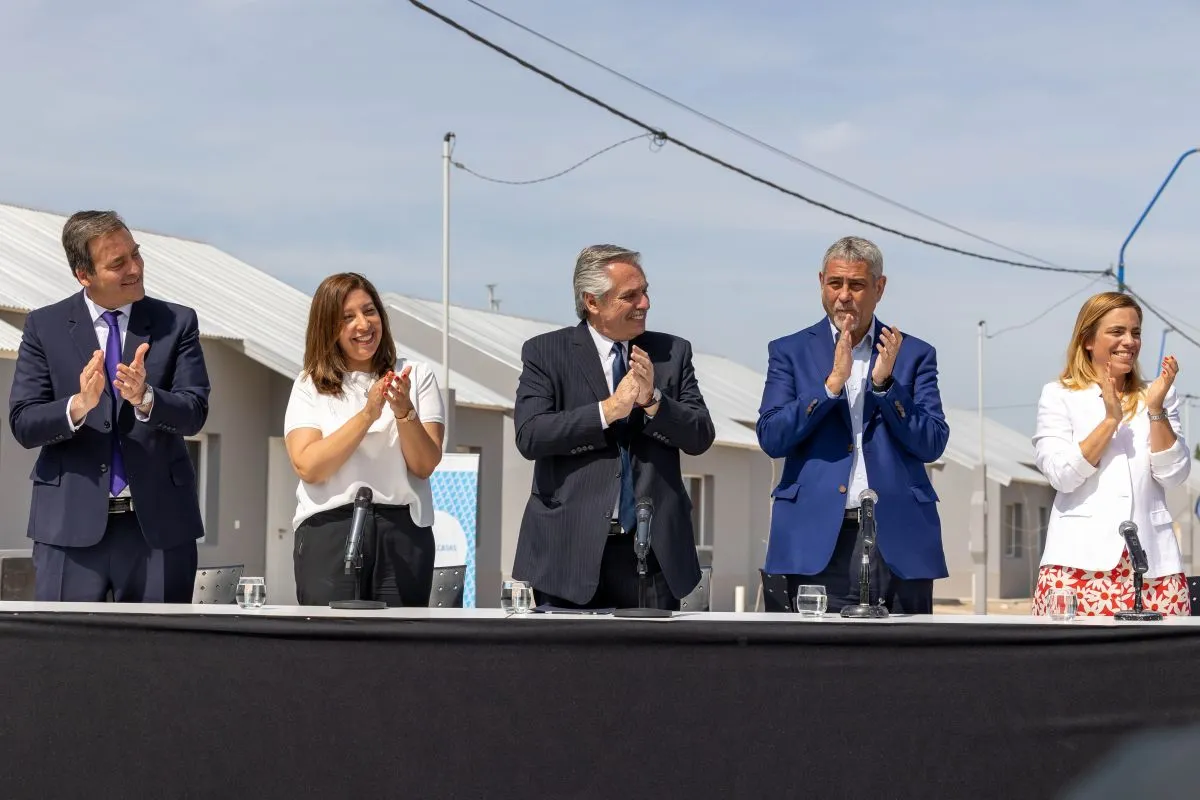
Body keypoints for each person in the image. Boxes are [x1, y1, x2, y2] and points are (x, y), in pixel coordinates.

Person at [8, 210, 211, 602]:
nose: (135, 268)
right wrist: (78, 405)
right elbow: (23, 423)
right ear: (84, 275)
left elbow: (194, 411)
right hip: (69, 531)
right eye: (118, 263)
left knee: (159, 658)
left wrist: (146, 398)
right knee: (67, 657)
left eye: (136, 254)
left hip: (159, 531)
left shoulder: (177, 322)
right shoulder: (43, 327)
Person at [512, 244, 715, 611]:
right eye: (630, 296)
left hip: (652, 555)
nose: (645, 303)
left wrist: (653, 401)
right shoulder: (545, 353)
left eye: (645, 291)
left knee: (650, 668)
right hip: (567, 553)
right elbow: (531, 435)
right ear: (593, 302)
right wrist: (608, 411)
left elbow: (700, 435)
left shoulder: (672, 353)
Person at [756, 235, 949, 614]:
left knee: (903, 665)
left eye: (857, 285)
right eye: (835, 283)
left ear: (879, 288)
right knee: (809, 666)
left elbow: (932, 443)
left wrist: (885, 386)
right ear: (821, 283)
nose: (844, 295)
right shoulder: (789, 351)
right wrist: (829, 387)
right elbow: (772, 436)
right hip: (813, 538)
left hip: (897, 540)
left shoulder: (913, 353)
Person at [283, 272, 445, 607]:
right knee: (330, 648)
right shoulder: (309, 384)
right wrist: (367, 415)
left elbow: (425, 464)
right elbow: (308, 466)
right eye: (347, 317)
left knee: (398, 650)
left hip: (401, 532)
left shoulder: (416, 375)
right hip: (328, 529)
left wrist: (404, 411)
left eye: (369, 311)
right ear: (328, 328)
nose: (363, 324)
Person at [1032, 292, 1190, 616]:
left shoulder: (1158, 394)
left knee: (1164, 666)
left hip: (1154, 569)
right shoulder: (1059, 395)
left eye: (1136, 333)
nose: (1129, 342)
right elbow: (1061, 475)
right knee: (1070, 666)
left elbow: (1174, 473)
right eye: (1117, 332)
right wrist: (1110, 421)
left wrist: (1156, 409)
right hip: (1076, 568)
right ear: (1088, 339)